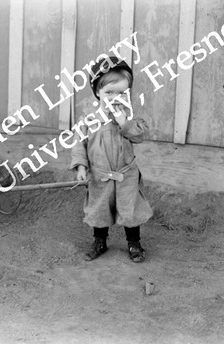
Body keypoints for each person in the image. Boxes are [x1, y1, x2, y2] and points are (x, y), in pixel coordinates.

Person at [70, 56, 153, 263]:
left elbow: (140, 135)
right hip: (100, 175)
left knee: (129, 208)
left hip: (126, 174)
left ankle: (134, 243)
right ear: (97, 92)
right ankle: (100, 241)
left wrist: (124, 122)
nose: (115, 97)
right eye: (109, 92)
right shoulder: (89, 119)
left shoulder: (129, 115)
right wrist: (81, 166)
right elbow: (79, 143)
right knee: (100, 208)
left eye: (122, 93)